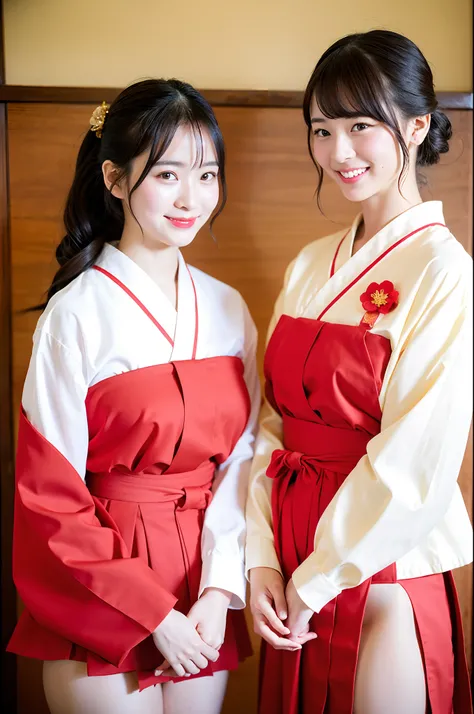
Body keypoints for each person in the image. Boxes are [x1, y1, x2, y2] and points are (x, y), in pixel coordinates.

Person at [7, 78, 260, 714]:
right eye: (168, 174)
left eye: (207, 175)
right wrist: (153, 615)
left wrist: (217, 591)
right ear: (116, 180)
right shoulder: (75, 315)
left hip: (203, 583)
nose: (192, 198)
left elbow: (245, 458)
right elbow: (50, 494)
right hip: (102, 586)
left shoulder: (228, 309)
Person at [246, 30, 473, 714]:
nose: (337, 151)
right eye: (321, 129)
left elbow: (416, 463)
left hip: (379, 572)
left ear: (416, 123)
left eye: (360, 126)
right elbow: (270, 422)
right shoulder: (312, 262)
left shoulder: (444, 271)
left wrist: (313, 582)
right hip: (290, 560)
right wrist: (261, 555)